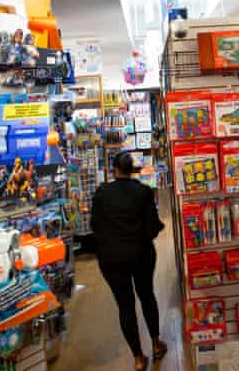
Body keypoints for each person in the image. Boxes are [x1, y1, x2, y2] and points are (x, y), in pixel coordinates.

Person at [91, 152, 168, 370]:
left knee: (125, 306)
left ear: (113, 169)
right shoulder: (143, 192)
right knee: (147, 295)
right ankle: (155, 343)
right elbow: (153, 225)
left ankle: (138, 358)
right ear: (132, 169)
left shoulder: (101, 193)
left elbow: (95, 226)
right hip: (141, 254)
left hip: (112, 259)